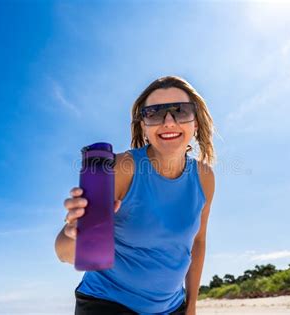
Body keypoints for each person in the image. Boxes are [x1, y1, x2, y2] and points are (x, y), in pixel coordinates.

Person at [55, 75, 216, 315]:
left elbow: (198, 242)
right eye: (155, 113)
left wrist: (191, 306)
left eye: (180, 111)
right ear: (144, 125)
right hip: (108, 304)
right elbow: (65, 253)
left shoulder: (204, 177)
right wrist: (76, 234)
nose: (169, 122)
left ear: (196, 122)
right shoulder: (124, 168)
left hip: (172, 308)